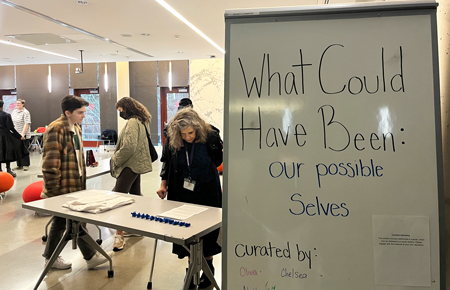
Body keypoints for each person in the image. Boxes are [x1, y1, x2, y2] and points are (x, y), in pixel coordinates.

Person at [41, 95, 113, 270]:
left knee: (73, 221)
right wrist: (53, 192)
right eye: (80, 112)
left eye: (84, 112)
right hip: (62, 188)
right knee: (64, 222)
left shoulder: (76, 128)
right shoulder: (55, 129)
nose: (83, 116)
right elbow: (50, 163)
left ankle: (84, 256)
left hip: (76, 185)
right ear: (67, 112)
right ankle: (81, 256)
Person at [157, 107, 223, 289]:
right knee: (186, 231)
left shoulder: (210, 136)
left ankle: (208, 268)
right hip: (181, 191)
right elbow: (167, 163)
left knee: (207, 231)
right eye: (183, 134)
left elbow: (219, 161)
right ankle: (191, 269)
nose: (187, 137)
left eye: (191, 133)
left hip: (207, 190)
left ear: (198, 128)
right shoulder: (173, 139)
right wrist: (163, 185)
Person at [111, 97, 153, 251]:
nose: (120, 113)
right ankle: (136, 227)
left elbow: (129, 147)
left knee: (118, 196)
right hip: (138, 163)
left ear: (127, 108)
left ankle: (119, 235)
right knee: (135, 194)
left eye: (121, 110)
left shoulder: (133, 123)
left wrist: (115, 158)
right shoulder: (142, 121)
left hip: (130, 164)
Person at [0, 100, 28, 177]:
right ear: (2, 106)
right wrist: (19, 137)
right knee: (7, 151)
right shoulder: (6, 115)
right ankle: (8, 169)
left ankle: (0, 170)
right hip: (5, 136)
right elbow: (11, 128)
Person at [11, 99, 31, 171]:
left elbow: (27, 123)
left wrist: (22, 134)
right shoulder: (14, 112)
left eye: (19, 103)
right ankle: (19, 165)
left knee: (24, 149)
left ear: (23, 104)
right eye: (16, 103)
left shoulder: (26, 112)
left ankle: (26, 165)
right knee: (17, 150)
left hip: (24, 134)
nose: (17, 105)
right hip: (16, 134)